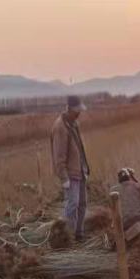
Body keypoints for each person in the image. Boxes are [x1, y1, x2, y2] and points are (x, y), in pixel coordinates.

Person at [51, 95, 90, 242]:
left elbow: (79, 149)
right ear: (69, 109)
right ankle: (66, 237)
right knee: (72, 205)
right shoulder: (60, 127)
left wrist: (85, 168)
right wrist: (64, 177)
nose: (79, 113)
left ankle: (79, 234)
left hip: (80, 171)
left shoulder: (74, 124)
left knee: (82, 204)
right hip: (70, 174)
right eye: (77, 110)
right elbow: (59, 155)